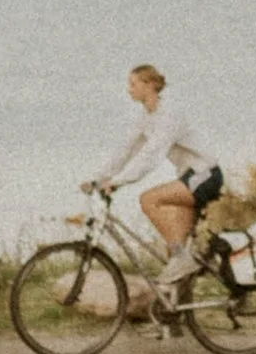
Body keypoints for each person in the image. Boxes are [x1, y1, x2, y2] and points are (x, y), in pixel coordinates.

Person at [87, 64, 223, 300]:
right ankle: (176, 318)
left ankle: (184, 260)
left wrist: (119, 182)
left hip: (205, 175)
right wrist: (99, 179)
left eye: (133, 84)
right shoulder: (146, 117)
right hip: (189, 177)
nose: (128, 89)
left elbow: (152, 154)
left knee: (149, 199)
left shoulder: (170, 114)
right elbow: (126, 151)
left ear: (149, 85)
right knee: (176, 254)